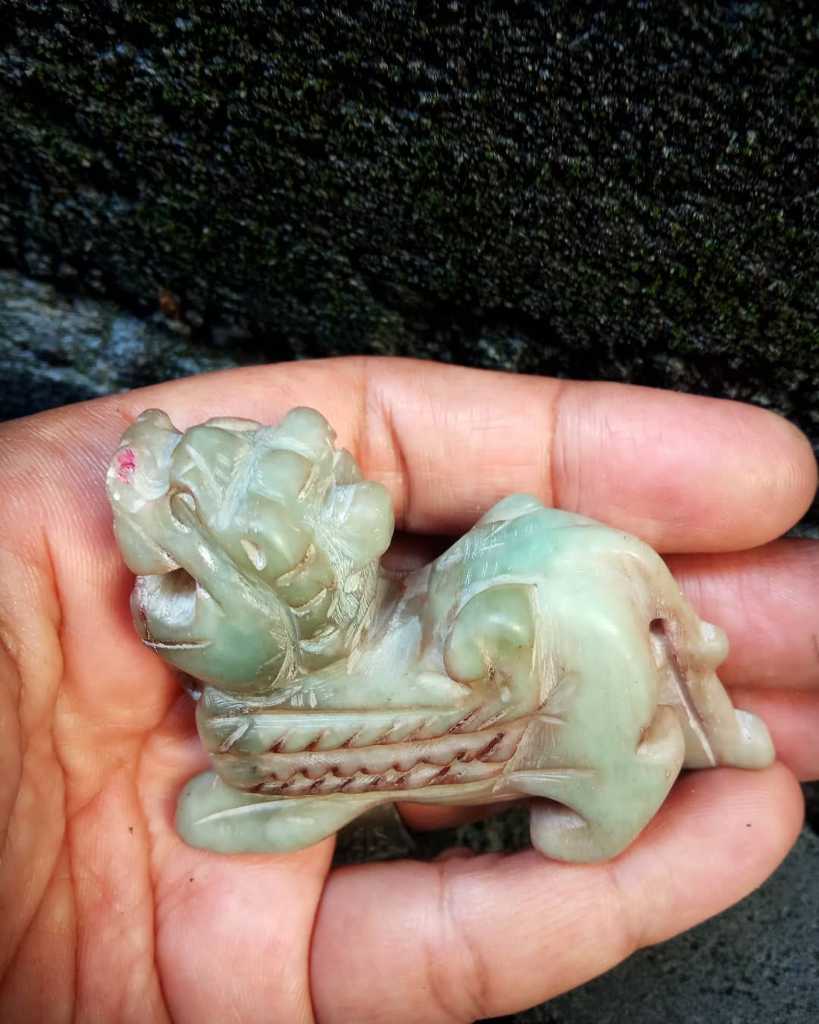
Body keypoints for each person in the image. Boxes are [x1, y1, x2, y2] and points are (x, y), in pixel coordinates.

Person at [0, 356, 816, 1024]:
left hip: (510, 645)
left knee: (558, 733)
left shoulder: (304, 724)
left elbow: (236, 808)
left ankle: (625, 773)